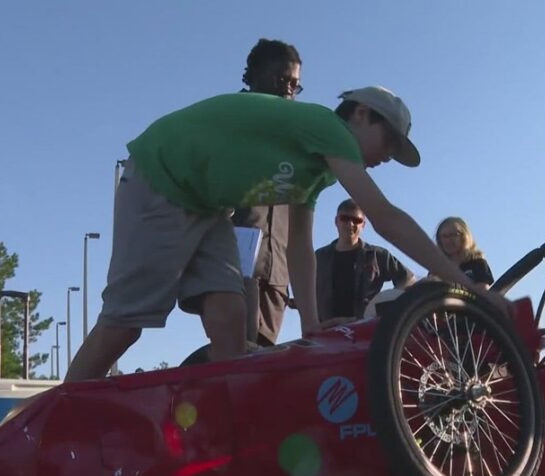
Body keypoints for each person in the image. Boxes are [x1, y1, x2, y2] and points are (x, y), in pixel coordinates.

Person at [66, 86, 502, 382]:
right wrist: (463, 283)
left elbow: (299, 246)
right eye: (389, 143)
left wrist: (310, 323)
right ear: (362, 115)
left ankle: (228, 436)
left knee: (230, 316)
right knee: (124, 327)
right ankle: (47, 430)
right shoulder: (326, 128)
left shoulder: (316, 170)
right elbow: (385, 217)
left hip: (206, 204)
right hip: (162, 178)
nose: (388, 157)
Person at [232, 38, 303, 347]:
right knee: (237, 350)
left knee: (264, 351)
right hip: (239, 258)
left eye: (295, 84)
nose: (288, 90)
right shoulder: (230, 118)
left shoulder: (298, 133)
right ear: (254, 75)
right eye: (281, 80)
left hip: (278, 269)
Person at [315, 199, 414, 325]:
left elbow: (408, 279)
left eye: (356, 220)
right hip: (326, 332)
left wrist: (386, 305)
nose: (350, 224)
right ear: (336, 221)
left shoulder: (376, 255)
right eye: (345, 218)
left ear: (363, 225)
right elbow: (305, 293)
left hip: (364, 329)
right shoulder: (319, 258)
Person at [435, 217, 494, 288]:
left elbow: (483, 293)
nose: (449, 240)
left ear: (464, 237)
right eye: (444, 236)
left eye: (454, 235)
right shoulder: (437, 268)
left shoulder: (478, 263)